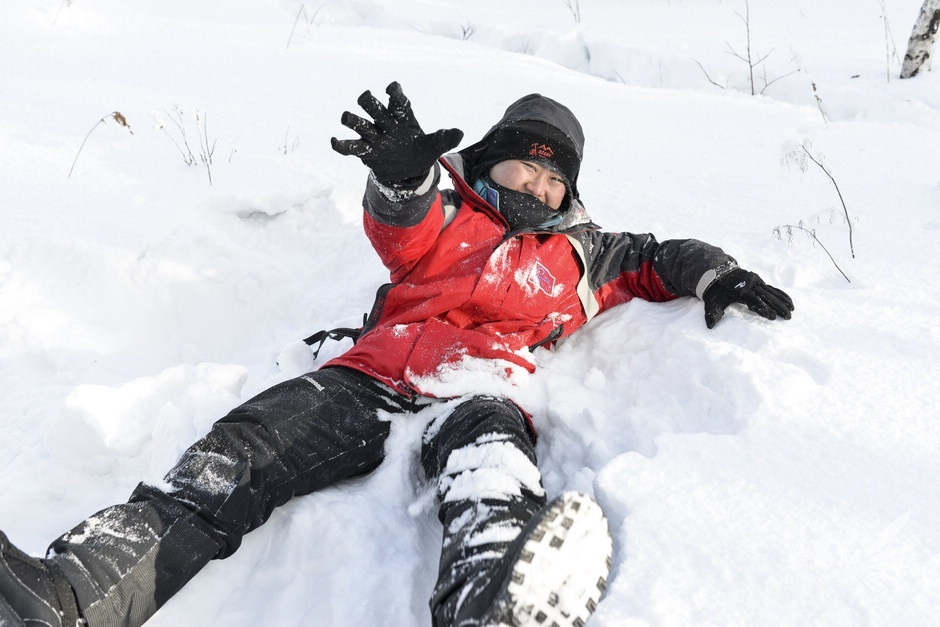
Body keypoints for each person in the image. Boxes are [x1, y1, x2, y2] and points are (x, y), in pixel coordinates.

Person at [0, 82, 793, 627]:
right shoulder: (451, 208)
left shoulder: (587, 253)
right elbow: (401, 227)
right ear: (493, 157)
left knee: (491, 475)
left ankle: (490, 602)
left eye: (558, 178)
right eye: (529, 163)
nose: (542, 186)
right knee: (234, 454)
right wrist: (403, 176)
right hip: (370, 377)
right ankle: (76, 592)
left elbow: (663, 256)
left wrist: (719, 273)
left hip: (479, 388)